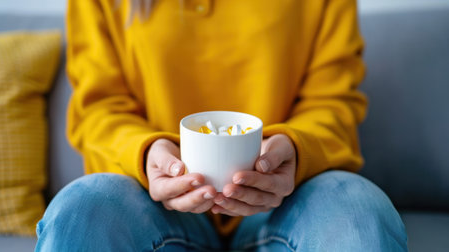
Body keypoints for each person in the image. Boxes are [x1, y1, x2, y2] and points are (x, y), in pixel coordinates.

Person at [35, 0, 408, 251]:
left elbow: (333, 103)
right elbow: (99, 109)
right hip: (151, 206)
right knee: (80, 209)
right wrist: (147, 154)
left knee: (359, 209)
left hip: (288, 201)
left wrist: (295, 148)